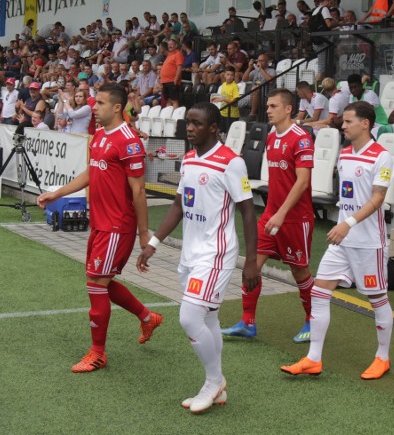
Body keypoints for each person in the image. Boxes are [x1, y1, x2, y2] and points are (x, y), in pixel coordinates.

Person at [136, 102, 259, 414]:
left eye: (197, 124)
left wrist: (251, 261)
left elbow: (247, 210)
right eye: (188, 123)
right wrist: (154, 242)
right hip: (190, 253)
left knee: (189, 317)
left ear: (214, 127)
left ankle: (213, 381)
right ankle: (217, 388)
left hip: (215, 253)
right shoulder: (189, 158)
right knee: (208, 318)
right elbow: (179, 205)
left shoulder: (231, 162)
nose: (190, 128)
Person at [36, 83, 163, 373]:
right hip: (99, 222)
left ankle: (98, 353)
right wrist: (57, 193)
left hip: (117, 226)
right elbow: (90, 173)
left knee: (96, 284)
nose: (94, 107)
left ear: (117, 108)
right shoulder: (101, 136)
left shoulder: (129, 141)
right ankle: (147, 317)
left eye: (101, 103)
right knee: (100, 281)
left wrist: (144, 234)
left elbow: (139, 192)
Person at [280, 101, 394, 380]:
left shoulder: (382, 156)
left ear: (365, 123)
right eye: (343, 121)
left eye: (348, 121)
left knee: (377, 298)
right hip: (341, 241)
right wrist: (344, 225)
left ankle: (382, 357)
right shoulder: (344, 154)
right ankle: (313, 358)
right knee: (319, 292)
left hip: (369, 243)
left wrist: (348, 223)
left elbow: (378, 199)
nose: (342, 126)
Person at [222, 89, 315, 342]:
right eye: (268, 106)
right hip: (272, 216)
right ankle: (247, 322)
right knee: (251, 265)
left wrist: (283, 213)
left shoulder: (302, 138)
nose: (268, 110)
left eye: (274, 106)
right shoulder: (272, 137)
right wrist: (274, 212)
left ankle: (311, 320)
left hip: (295, 219)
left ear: (288, 109)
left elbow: (303, 181)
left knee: (300, 273)